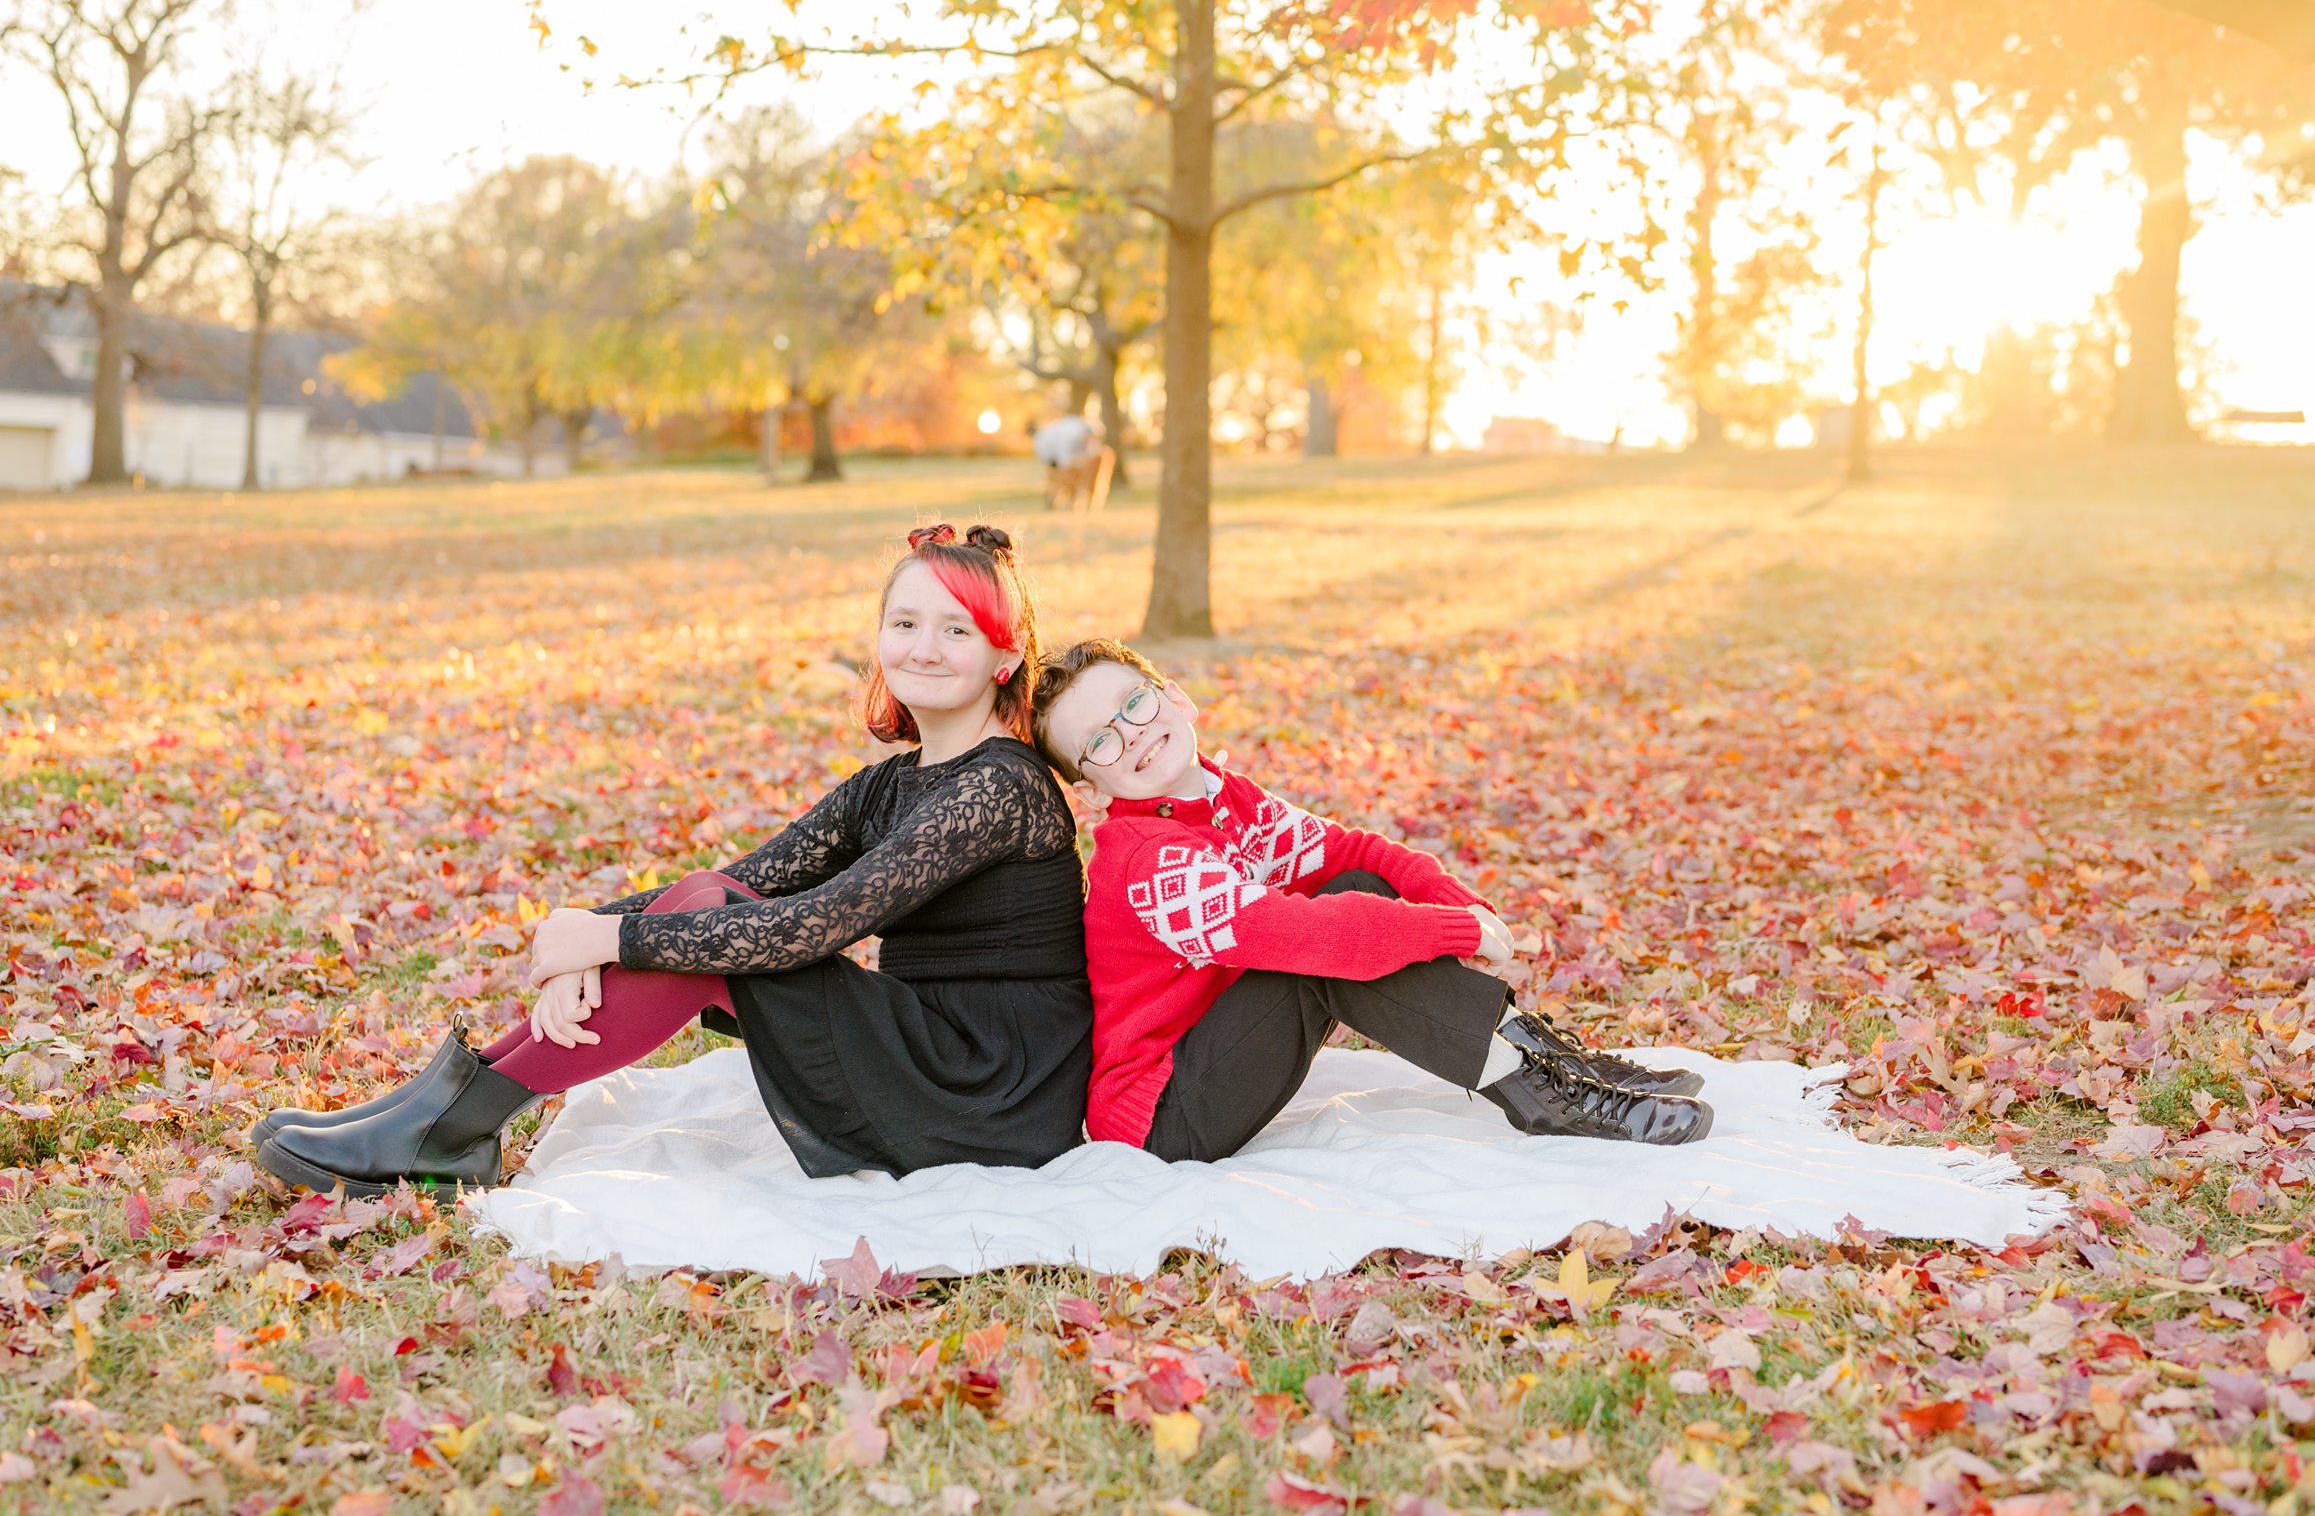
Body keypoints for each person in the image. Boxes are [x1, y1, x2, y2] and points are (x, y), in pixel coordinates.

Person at [251, 524, 1092, 1200]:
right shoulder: (888, 786)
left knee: (722, 923)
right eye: (905, 623)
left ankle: (448, 1128)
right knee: (707, 900)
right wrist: (583, 929)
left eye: (957, 630)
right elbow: (746, 879)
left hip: (992, 1092)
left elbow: (813, 925)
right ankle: (428, 1114)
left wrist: (609, 944)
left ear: (1004, 657)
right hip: (933, 1053)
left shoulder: (1000, 787)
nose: (925, 647)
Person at [1028, 638, 1713, 1167]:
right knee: (1324, 945)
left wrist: (1458, 903)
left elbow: (1352, 853)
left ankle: (1546, 1064)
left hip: (1214, 1053)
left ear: (1174, 696)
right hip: (1161, 1116)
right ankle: (1536, 1090)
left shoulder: (1224, 797)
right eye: (1100, 741)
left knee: (1356, 894)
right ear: (1092, 791)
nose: (1133, 733)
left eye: (1135, 704)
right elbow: (1289, 930)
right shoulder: (1148, 859)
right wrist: (1445, 931)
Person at [1031, 405, 1114, 512]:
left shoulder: (1088, 430)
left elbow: (1091, 451)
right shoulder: (1068, 436)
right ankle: (1053, 498)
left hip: (1060, 447)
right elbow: (1064, 460)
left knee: (1071, 473)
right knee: (1059, 476)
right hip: (1048, 449)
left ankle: (1063, 499)